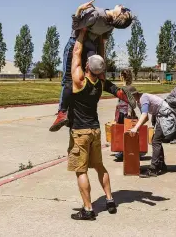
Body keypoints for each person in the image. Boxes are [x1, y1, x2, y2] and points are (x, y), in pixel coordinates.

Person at [50, 0, 135, 132]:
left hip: (77, 43)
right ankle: (118, 92)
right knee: (97, 77)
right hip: (91, 47)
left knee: (68, 79)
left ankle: (62, 113)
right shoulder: (111, 25)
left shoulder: (97, 14)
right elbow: (103, 39)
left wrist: (78, 10)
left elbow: (76, 26)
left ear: (117, 16)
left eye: (123, 11)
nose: (122, 7)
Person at [67, 29, 117, 221]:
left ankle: (88, 210)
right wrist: (102, 42)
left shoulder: (80, 81)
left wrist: (82, 32)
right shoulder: (100, 83)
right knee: (99, 166)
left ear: (87, 66)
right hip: (95, 131)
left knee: (81, 170)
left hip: (81, 132)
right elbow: (99, 61)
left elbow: (76, 53)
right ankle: (110, 199)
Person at [128, 87, 176, 177]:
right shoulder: (139, 101)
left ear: (134, 95)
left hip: (166, 115)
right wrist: (137, 127)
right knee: (156, 140)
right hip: (161, 116)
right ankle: (161, 164)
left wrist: (136, 128)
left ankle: (154, 169)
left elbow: (145, 114)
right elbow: (145, 118)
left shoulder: (143, 98)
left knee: (156, 141)